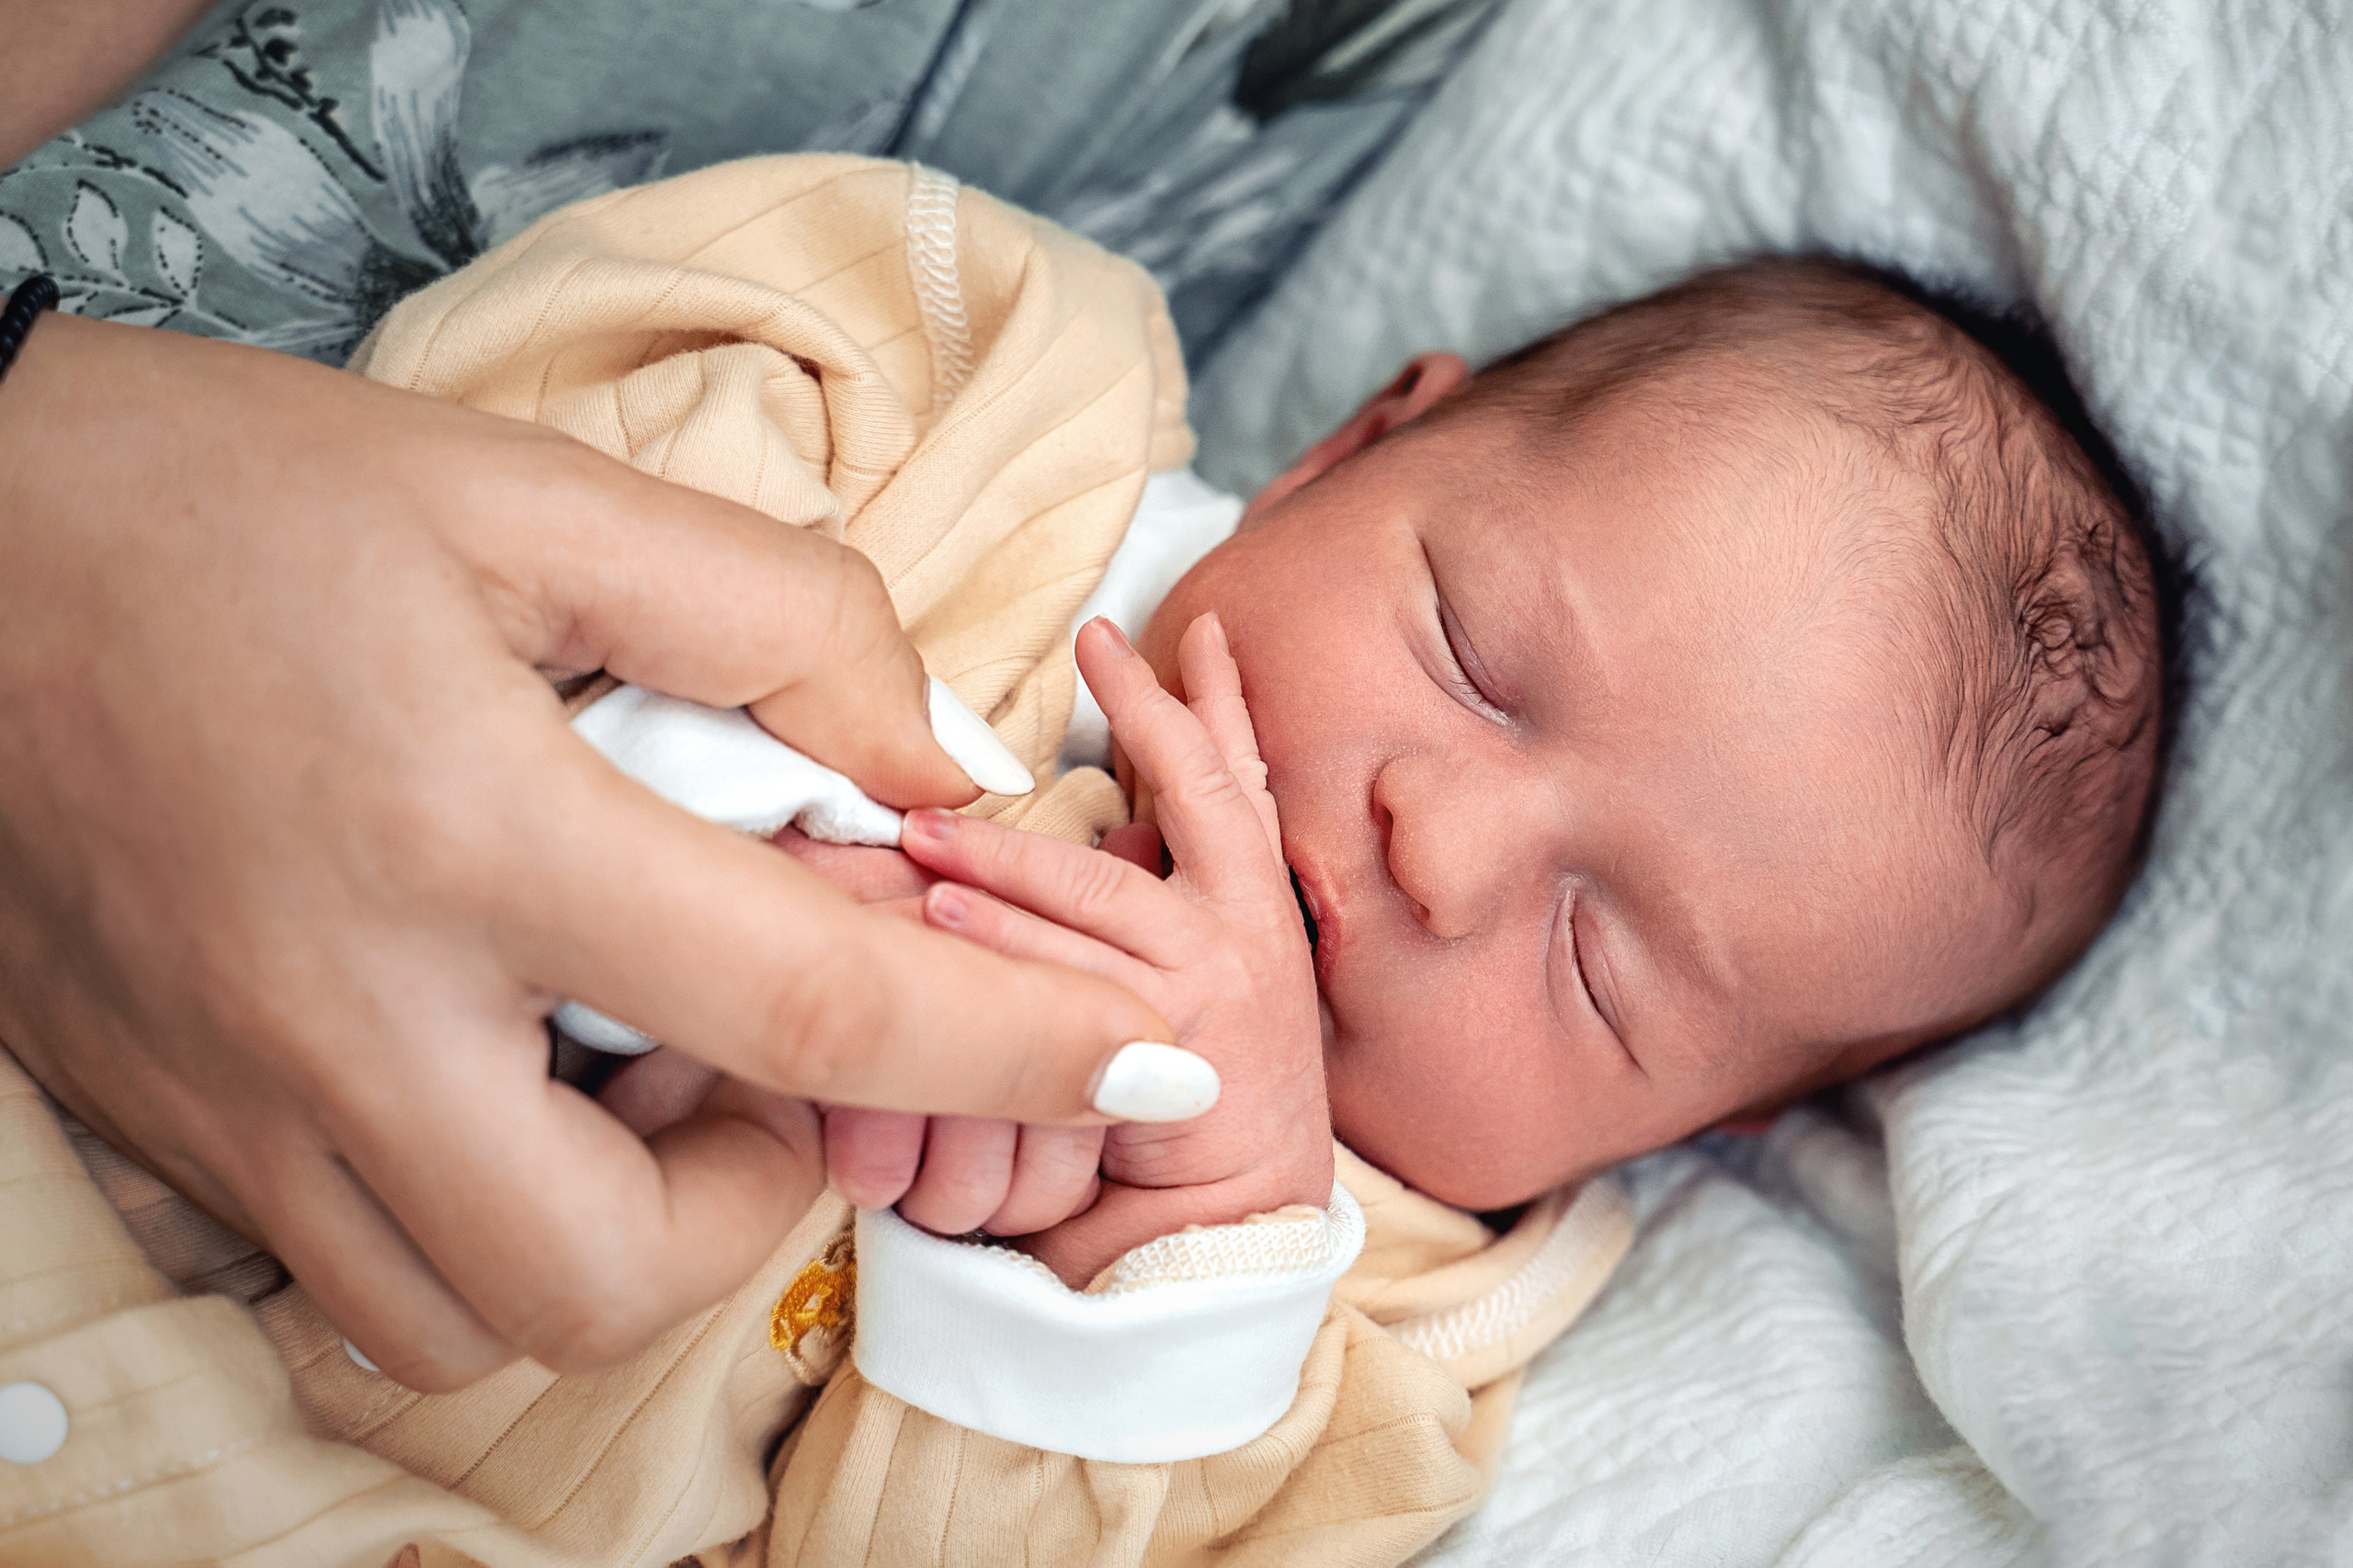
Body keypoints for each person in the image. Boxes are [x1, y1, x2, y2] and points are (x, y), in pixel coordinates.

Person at [0, 155, 2168, 1565]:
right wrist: (719, 782)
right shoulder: (980, 395)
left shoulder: (1365, 1342)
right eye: (1474, 657)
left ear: (1706, 1124)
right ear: (1355, 446)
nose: (1439, 846)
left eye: (1599, 965)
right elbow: (475, 428)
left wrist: (1155, 1260)